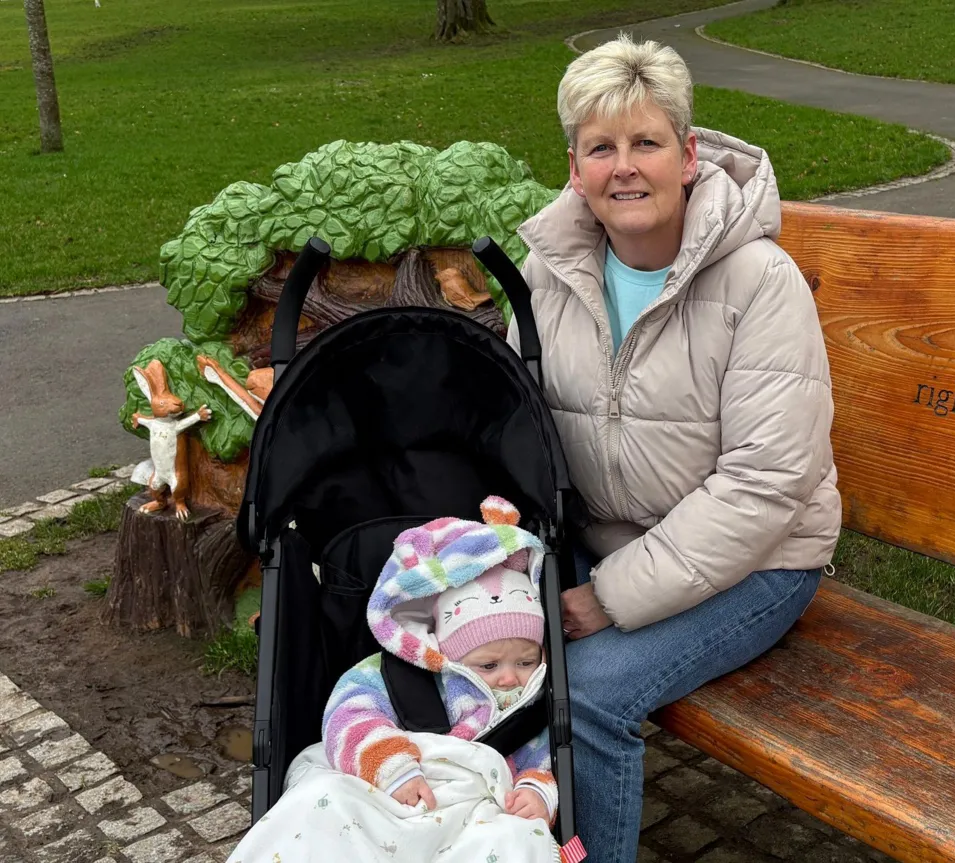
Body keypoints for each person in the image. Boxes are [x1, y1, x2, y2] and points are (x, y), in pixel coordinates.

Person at [511, 32, 842, 862]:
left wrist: (605, 597)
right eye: (601, 147)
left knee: (588, 694)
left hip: (761, 561)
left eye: (647, 142)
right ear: (576, 168)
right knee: (484, 655)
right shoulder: (547, 274)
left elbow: (767, 486)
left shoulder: (757, 282)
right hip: (606, 542)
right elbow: (503, 418)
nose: (625, 167)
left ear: (689, 156)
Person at [223, 496, 561, 863]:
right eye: (489, 666)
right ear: (447, 651)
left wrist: (537, 792)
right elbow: (348, 716)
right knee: (325, 796)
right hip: (390, 787)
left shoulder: (533, 697)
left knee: (516, 836)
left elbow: (541, 760)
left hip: (472, 809)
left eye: (526, 660)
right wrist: (390, 765)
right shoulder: (390, 676)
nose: (510, 677)